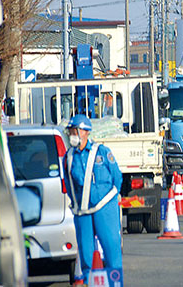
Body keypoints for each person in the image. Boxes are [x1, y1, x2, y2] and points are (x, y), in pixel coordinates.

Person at [64, 114, 123, 283]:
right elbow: (68, 184)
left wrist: (109, 200)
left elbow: (117, 178)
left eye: (74, 131)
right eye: (70, 131)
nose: (72, 135)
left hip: (104, 209)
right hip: (82, 212)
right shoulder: (68, 157)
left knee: (112, 252)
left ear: (84, 132)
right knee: (86, 256)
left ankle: (115, 284)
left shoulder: (102, 152)